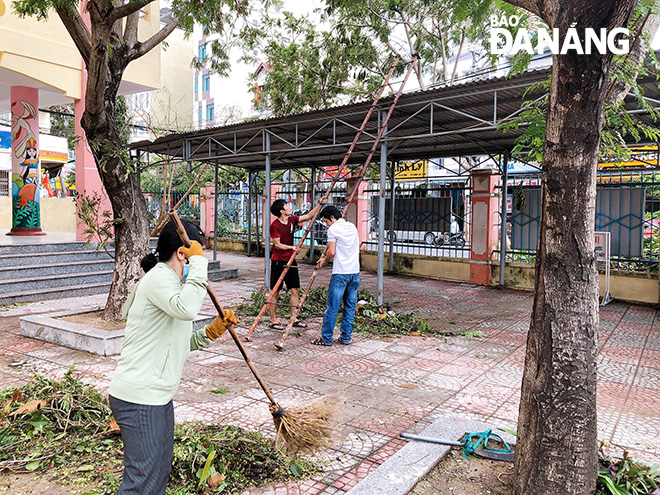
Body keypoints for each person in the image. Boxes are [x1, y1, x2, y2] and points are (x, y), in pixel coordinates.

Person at [108, 219, 239, 495]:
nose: (198, 260)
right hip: (139, 397)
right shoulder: (159, 279)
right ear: (183, 254)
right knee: (141, 481)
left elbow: (178, 341)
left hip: (156, 397)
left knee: (157, 474)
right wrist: (200, 266)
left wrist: (212, 332)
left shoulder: (170, 285)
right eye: (197, 253)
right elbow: (187, 309)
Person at [268, 197, 326, 330]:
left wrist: (319, 204)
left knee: (295, 289)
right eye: (287, 205)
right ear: (282, 210)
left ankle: (294, 317)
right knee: (275, 291)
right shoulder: (274, 226)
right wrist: (292, 248)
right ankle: (273, 320)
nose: (289, 207)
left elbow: (309, 216)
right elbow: (277, 245)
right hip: (278, 261)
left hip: (291, 259)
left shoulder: (292, 220)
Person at [311, 206, 360, 346]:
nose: (326, 224)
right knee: (350, 306)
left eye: (326, 221)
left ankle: (326, 338)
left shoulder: (333, 229)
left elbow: (331, 252)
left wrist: (324, 261)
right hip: (354, 272)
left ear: (332, 218)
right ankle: (346, 337)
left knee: (332, 306)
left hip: (340, 273)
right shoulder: (352, 226)